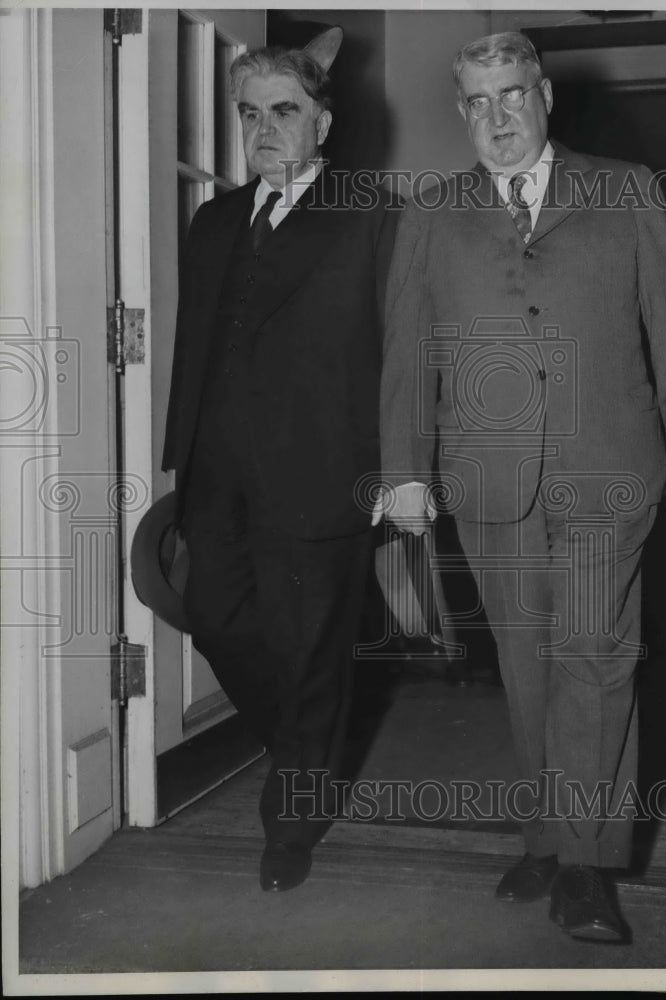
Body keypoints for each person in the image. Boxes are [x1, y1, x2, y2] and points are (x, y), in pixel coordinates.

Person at [377, 31, 666, 943]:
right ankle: (546, 833)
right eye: (477, 102)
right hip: (488, 475)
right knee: (527, 669)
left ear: (544, 97)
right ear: (462, 113)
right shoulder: (433, 211)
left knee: (594, 659)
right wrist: (404, 469)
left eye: (511, 95)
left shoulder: (624, 187)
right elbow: (407, 351)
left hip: (609, 465)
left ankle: (585, 865)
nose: (496, 117)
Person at [163, 31, 397, 893]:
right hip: (217, 474)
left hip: (321, 474)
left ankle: (290, 821)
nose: (264, 130)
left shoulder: (371, 211)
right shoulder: (215, 218)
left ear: (323, 123)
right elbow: (196, 348)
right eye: (250, 113)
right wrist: (179, 458)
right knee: (217, 620)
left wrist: (392, 468)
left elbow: (407, 351)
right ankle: (306, 748)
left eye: (284, 112)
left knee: (309, 654)